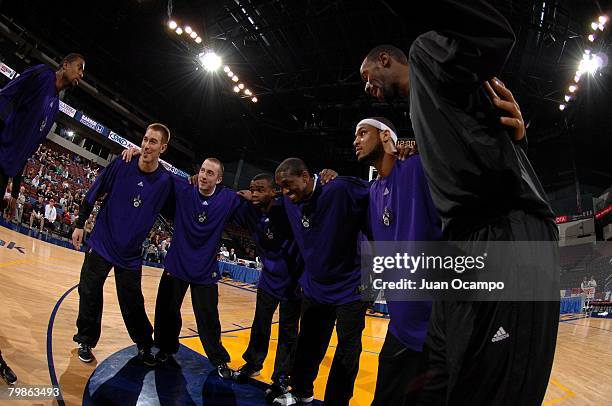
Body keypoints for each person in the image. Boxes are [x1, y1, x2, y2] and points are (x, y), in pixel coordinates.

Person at [360, 2, 559, 404]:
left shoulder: (424, 55)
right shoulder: (427, 114)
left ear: (385, 59)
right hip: (465, 247)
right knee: (443, 383)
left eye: (367, 76)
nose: (366, 88)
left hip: (506, 234)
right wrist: (518, 141)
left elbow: (494, 34)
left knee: (490, 391)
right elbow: (489, 140)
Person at [354, 117, 441, 405]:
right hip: (401, 327)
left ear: (386, 136)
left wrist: (424, 148)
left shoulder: (416, 168)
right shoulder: (372, 193)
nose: (356, 140)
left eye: (363, 133)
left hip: (437, 329)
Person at [71, 123, 173, 366]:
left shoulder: (166, 182)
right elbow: (95, 190)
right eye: (145, 139)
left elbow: (188, 198)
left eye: (153, 142)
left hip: (129, 253)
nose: (146, 145)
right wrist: (80, 222)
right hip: (102, 241)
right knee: (89, 290)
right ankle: (85, 339)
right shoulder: (122, 162)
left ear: (163, 148)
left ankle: (144, 344)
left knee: (132, 301)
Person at [272, 158, 370, 406]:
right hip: (316, 285)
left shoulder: (338, 187)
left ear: (306, 177)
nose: (285, 192)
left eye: (288, 184)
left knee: (348, 349)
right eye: (281, 187)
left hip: (354, 282)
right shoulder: (288, 201)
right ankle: (302, 391)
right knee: (308, 343)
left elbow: (379, 195)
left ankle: (337, 402)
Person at [148, 157, 246, 379]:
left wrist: (251, 194)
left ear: (219, 179)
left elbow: (251, 198)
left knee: (209, 317)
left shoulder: (227, 199)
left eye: (210, 173)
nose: (203, 175)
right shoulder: (184, 189)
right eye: (202, 170)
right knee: (166, 311)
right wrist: (137, 154)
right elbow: (161, 171)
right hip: (177, 264)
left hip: (205, 270)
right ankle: (165, 349)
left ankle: (219, 360)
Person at [231, 173, 303, 399]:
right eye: (252, 189)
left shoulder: (288, 209)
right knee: (260, 325)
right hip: (268, 280)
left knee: (288, 333)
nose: (254, 193)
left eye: (260, 189)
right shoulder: (251, 210)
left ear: (274, 191)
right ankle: (253, 363)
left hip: (293, 281)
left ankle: (282, 375)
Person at [0, 53, 84, 217]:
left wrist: (15, 192)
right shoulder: (43, 74)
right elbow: (5, 97)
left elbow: (27, 150)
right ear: (65, 65)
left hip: (4, 170)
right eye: (79, 68)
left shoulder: (55, 109)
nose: (81, 74)